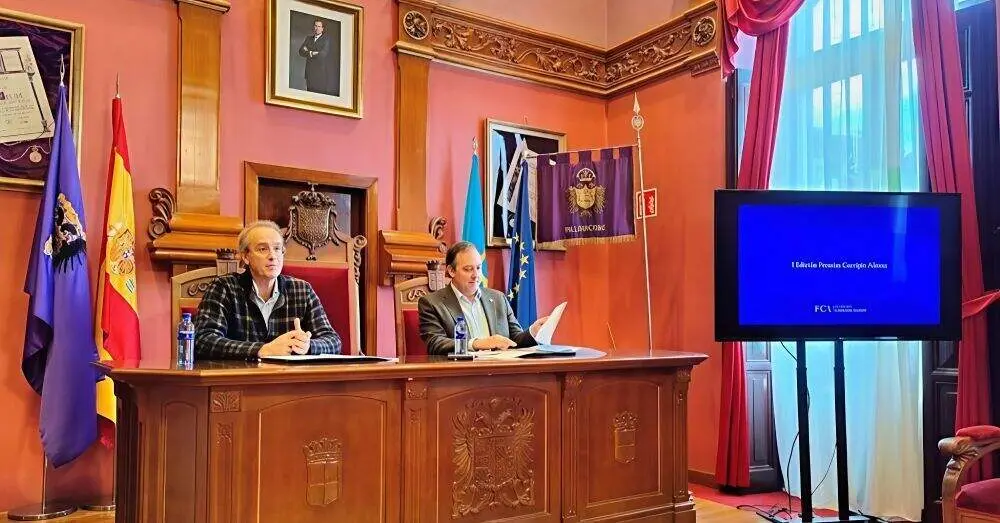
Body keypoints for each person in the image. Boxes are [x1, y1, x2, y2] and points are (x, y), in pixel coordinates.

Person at [193, 220, 342, 359]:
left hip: (287, 376)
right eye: (263, 249)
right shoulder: (224, 287)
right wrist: (262, 350)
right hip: (240, 376)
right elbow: (203, 340)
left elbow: (333, 341)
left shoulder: (302, 290)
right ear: (245, 256)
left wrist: (308, 346)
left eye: (277, 249)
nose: (272, 256)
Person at [418, 241, 547, 355]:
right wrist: (477, 344)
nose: (476, 275)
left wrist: (533, 331)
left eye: (478, 268)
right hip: (461, 372)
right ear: (451, 271)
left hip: (500, 370)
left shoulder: (498, 299)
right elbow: (435, 343)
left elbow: (515, 341)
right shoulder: (432, 303)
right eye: (468, 269)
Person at [298, 19, 330, 94]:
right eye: (315, 26)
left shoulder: (326, 39)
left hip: (320, 73)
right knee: (309, 95)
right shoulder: (308, 38)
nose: (317, 28)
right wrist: (312, 53)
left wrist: (308, 51)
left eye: (319, 26)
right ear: (313, 27)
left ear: (322, 28)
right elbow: (301, 51)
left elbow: (323, 54)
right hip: (309, 72)